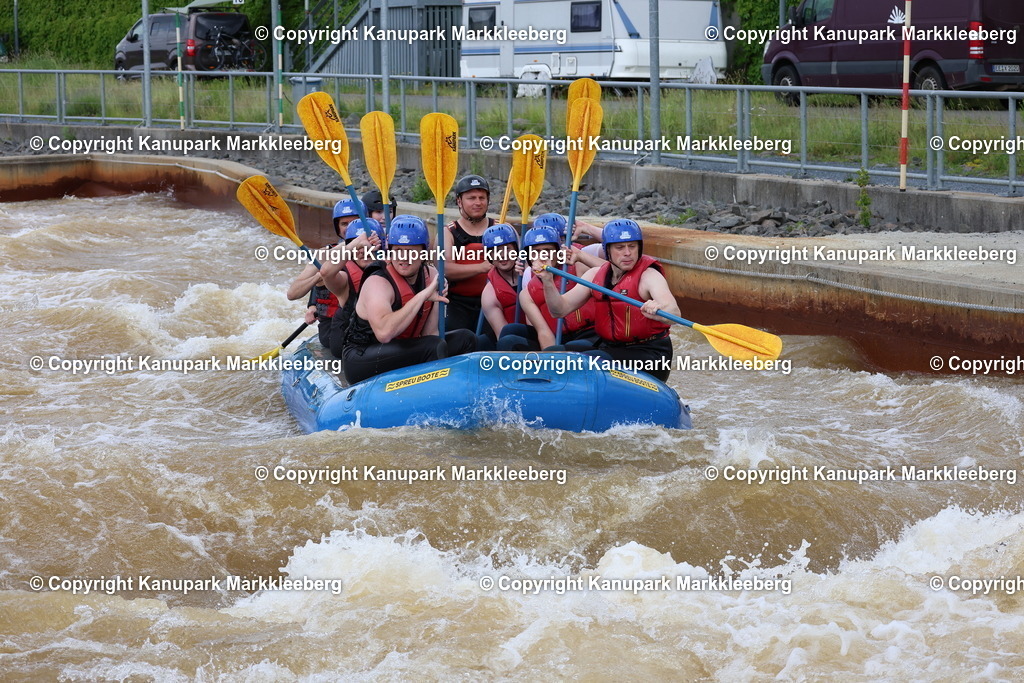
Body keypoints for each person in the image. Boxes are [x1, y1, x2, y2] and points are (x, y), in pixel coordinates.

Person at [343, 215, 477, 384]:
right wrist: (422, 296)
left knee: (466, 339)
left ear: (423, 252)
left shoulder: (432, 275)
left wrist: (434, 298)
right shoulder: (378, 282)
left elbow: (430, 333)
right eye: (398, 251)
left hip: (403, 348)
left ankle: (460, 389)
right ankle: (430, 396)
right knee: (433, 346)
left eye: (411, 251)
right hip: (362, 357)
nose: (403, 258)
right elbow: (384, 333)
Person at [537, 219, 677, 381]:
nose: (627, 253)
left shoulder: (649, 276)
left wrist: (659, 309)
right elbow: (559, 310)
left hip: (649, 354)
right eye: (620, 247)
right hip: (610, 348)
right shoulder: (595, 275)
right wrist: (547, 281)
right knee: (553, 353)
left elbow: (673, 310)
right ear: (607, 250)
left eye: (632, 246)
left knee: (586, 362)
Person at [286, 198, 365, 347]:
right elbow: (292, 294)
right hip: (334, 328)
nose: (349, 228)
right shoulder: (325, 255)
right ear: (337, 227)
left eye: (354, 222)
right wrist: (321, 275)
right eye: (344, 224)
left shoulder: (375, 249)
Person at [509, 226, 597, 351]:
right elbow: (544, 332)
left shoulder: (578, 267)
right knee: (510, 338)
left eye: (548, 250)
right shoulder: (526, 294)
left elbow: (613, 274)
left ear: (557, 253)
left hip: (589, 334)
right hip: (560, 338)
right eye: (536, 252)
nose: (542, 256)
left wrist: (581, 255)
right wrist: (550, 360)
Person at [319, 216, 386, 357]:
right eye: (358, 248)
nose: (363, 251)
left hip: (377, 338)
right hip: (346, 345)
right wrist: (355, 243)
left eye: (368, 245)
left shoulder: (390, 268)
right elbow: (325, 272)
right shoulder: (344, 278)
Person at [442, 174, 496, 333]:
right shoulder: (448, 233)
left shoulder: (501, 229)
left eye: (482, 197)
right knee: (454, 335)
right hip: (458, 304)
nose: (478, 202)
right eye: (471, 198)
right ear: (459, 201)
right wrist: (482, 267)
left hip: (494, 302)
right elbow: (445, 269)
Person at [477, 223, 522, 348]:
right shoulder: (489, 294)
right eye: (495, 251)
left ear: (516, 249)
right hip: (515, 341)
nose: (502, 255)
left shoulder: (533, 273)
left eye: (507, 249)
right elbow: (502, 335)